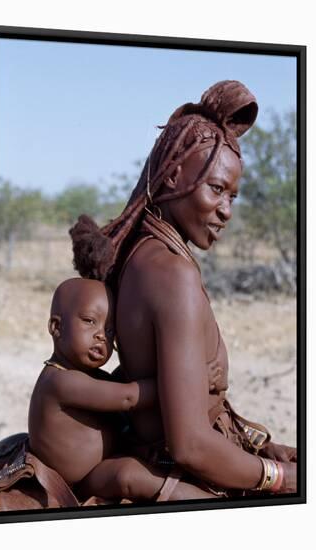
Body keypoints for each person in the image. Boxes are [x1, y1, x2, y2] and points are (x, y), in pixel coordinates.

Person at [69, 80, 297, 498]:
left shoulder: (143, 251)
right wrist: (278, 478)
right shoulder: (172, 274)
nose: (226, 210)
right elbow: (190, 443)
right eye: (216, 189)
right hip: (174, 468)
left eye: (233, 195)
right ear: (174, 175)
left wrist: (263, 449)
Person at [28, 277, 220, 502]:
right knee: (127, 474)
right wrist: (189, 380)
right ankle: (211, 504)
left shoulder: (87, 376)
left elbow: (121, 386)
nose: (101, 335)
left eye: (110, 331)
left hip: (100, 465)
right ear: (56, 327)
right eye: (90, 321)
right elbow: (128, 397)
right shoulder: (59, 381)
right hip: (79, 481)